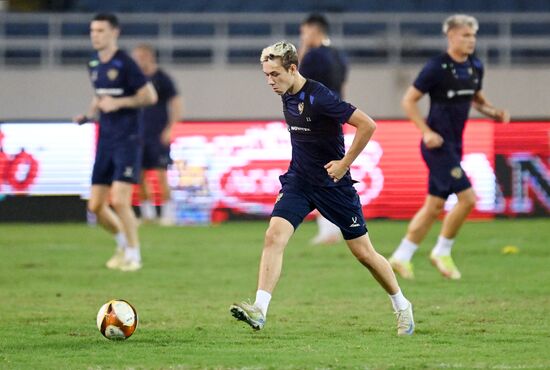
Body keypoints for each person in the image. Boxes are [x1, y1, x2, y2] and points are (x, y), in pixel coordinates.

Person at [230, 41, 414, 336]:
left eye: (275, 74)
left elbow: (367, 125)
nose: (269, 81)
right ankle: (259, 310)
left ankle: (402, 305)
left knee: (364, 254)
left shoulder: (320, 97)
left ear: (293, 69)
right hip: (300, 182)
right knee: (273, 236)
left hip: (333, 185)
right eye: (266, 75)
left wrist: (343, 163)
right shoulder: (286, 95)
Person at [389, 14, 509, 280]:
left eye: (473, 36)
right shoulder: (437, 67)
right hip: (437, 146)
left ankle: (401, 256)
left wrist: (493, 112)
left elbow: (476, 99)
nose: (471, 41)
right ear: (451, 36)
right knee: (468, 199)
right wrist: (426, 132)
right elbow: (409, 100)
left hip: (455, 146)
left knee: (433, 206)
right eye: (465, 35)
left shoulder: (475, 66)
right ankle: (442, 251)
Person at [74, 13, 158, 272]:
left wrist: (119, 103)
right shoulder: (93, 63)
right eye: (92, 30)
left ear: (114, 33)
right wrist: (89, 114)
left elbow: (149, 96)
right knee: (96, 206)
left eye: (100, 30)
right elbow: (100, 96)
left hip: (128, 139)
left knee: (121, 200)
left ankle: (134, 255)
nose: (95, 35)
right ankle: (122, 244)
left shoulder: (126, 64)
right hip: (105, 140)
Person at [298, 13, 349, 245]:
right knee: (330, 172)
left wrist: (303, 49)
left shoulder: (313, 57)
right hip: (335, 118)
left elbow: (295, 82)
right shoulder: (338, 55)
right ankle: (333, 226)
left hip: (315, 121)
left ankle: (329, 229)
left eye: (304, 31)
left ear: (313, 30)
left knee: (316, 173)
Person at [131, 44, 183, 226]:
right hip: (138, 134)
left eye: (142, 56)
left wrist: (170, 128)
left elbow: (176, 103)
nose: (138, 59)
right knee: (140, 176)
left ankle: (168, 214)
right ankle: (148, 214)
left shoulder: (162, 78)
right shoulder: (134, 79)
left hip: (157, 134)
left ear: (150, 56)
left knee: (161, 174)